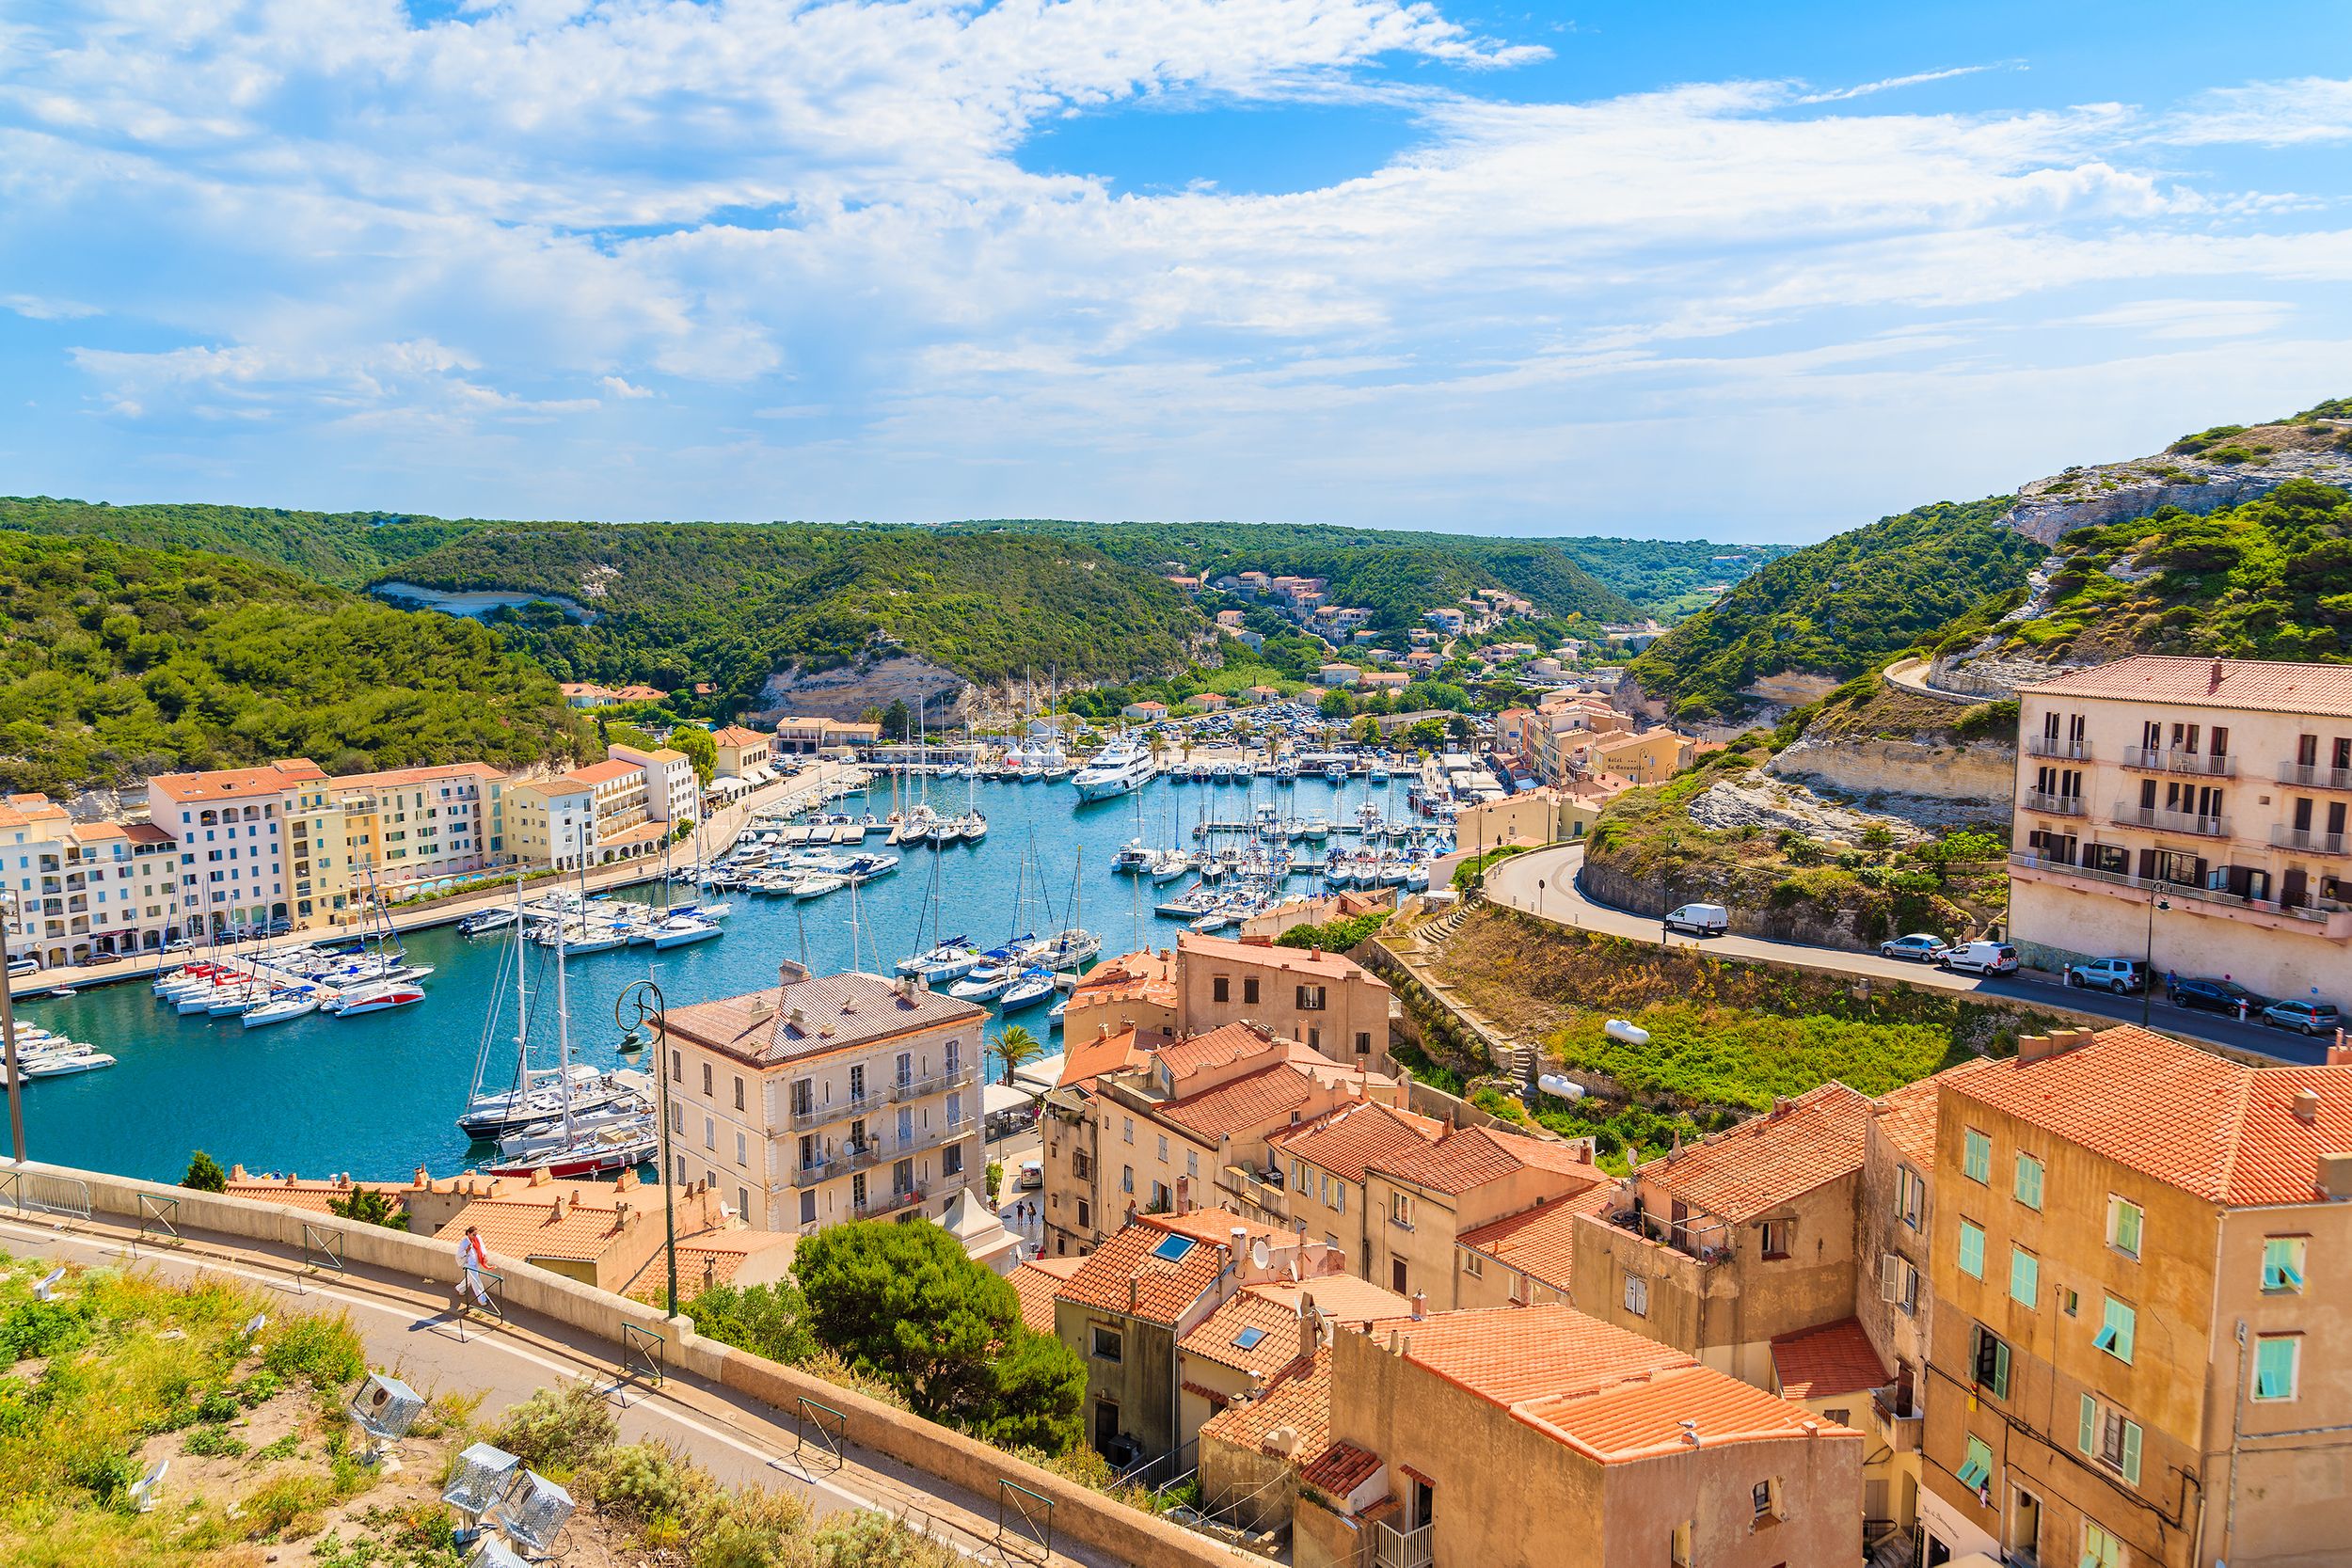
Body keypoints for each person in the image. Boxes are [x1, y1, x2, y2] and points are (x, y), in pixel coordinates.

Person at [455, 1224, 492, 1310]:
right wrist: (466, 1251)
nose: (475, 1236)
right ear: (468, 1233)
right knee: (476, 1281)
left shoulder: (478, 1238)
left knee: (470, 1278)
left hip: (476, 1262)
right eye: (473, 1234)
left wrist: (484, 1256)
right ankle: (481, 1299)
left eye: (476, 1234)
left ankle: (460, 1288)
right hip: (469, 1264)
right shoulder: (464, 1243)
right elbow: (458, 1255)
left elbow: (482, 1247)